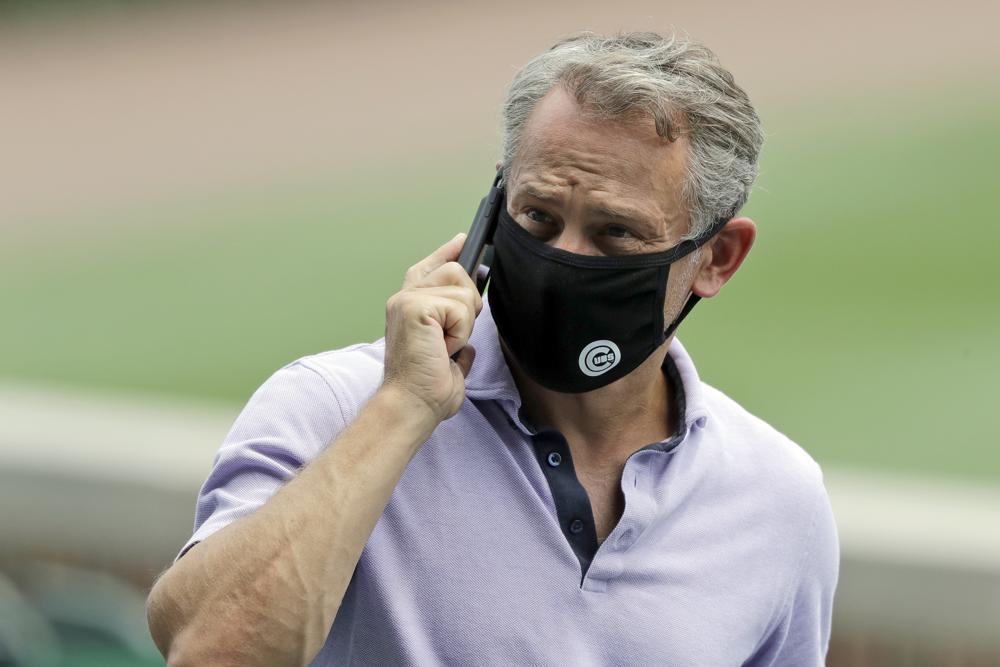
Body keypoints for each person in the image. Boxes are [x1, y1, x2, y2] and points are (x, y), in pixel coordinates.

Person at [147, 31, 839, 666]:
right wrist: (401, 410)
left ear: (718, 257)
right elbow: (210, 651)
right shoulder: (334, 407)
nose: (565, 257)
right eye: (537, 216)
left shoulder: (778, 500)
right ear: (491, 210)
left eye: (614, 233)